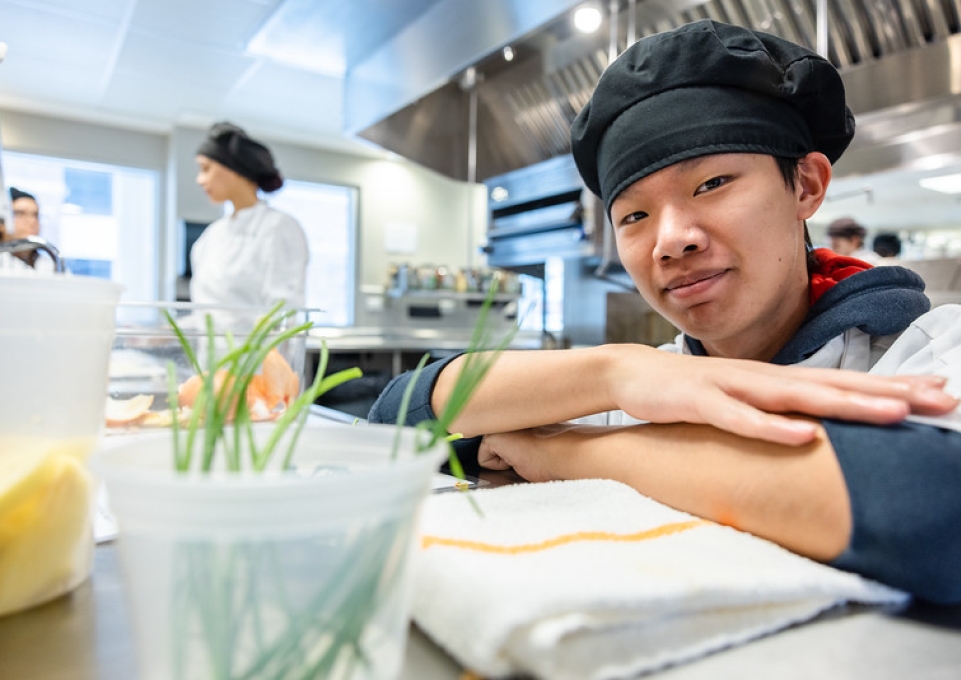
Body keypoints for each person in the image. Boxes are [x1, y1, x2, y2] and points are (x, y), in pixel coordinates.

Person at [368, 20, 961, 604]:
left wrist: (562, 453)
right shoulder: (636, 391)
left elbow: (935, 505)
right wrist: (612, 373)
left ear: (805, 185)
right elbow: (396, 416)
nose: (671, 240)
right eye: (633, 216)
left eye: (711, 183)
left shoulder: (931, 350)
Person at [190, 122, 308, 315]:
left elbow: (284, 312)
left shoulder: (278, 227)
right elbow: (207, 318)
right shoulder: (212, 235)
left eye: (206, 168)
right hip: (210, 347)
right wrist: (159, 334)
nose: (200, 180)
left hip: (257, 347)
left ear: (234, 169)